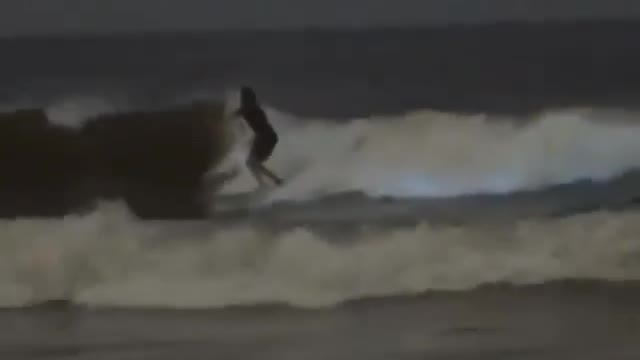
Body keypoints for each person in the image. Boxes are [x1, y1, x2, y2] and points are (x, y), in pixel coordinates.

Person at [232, 86, 283, 187]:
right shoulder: (255, 107)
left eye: (243, 96)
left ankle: (273, 181)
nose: (241, 99)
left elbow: (237, 114)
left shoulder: (248, 108)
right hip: (268, 135)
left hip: (265, 136)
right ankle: (267, 183)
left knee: (252, 162)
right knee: (252, 163)